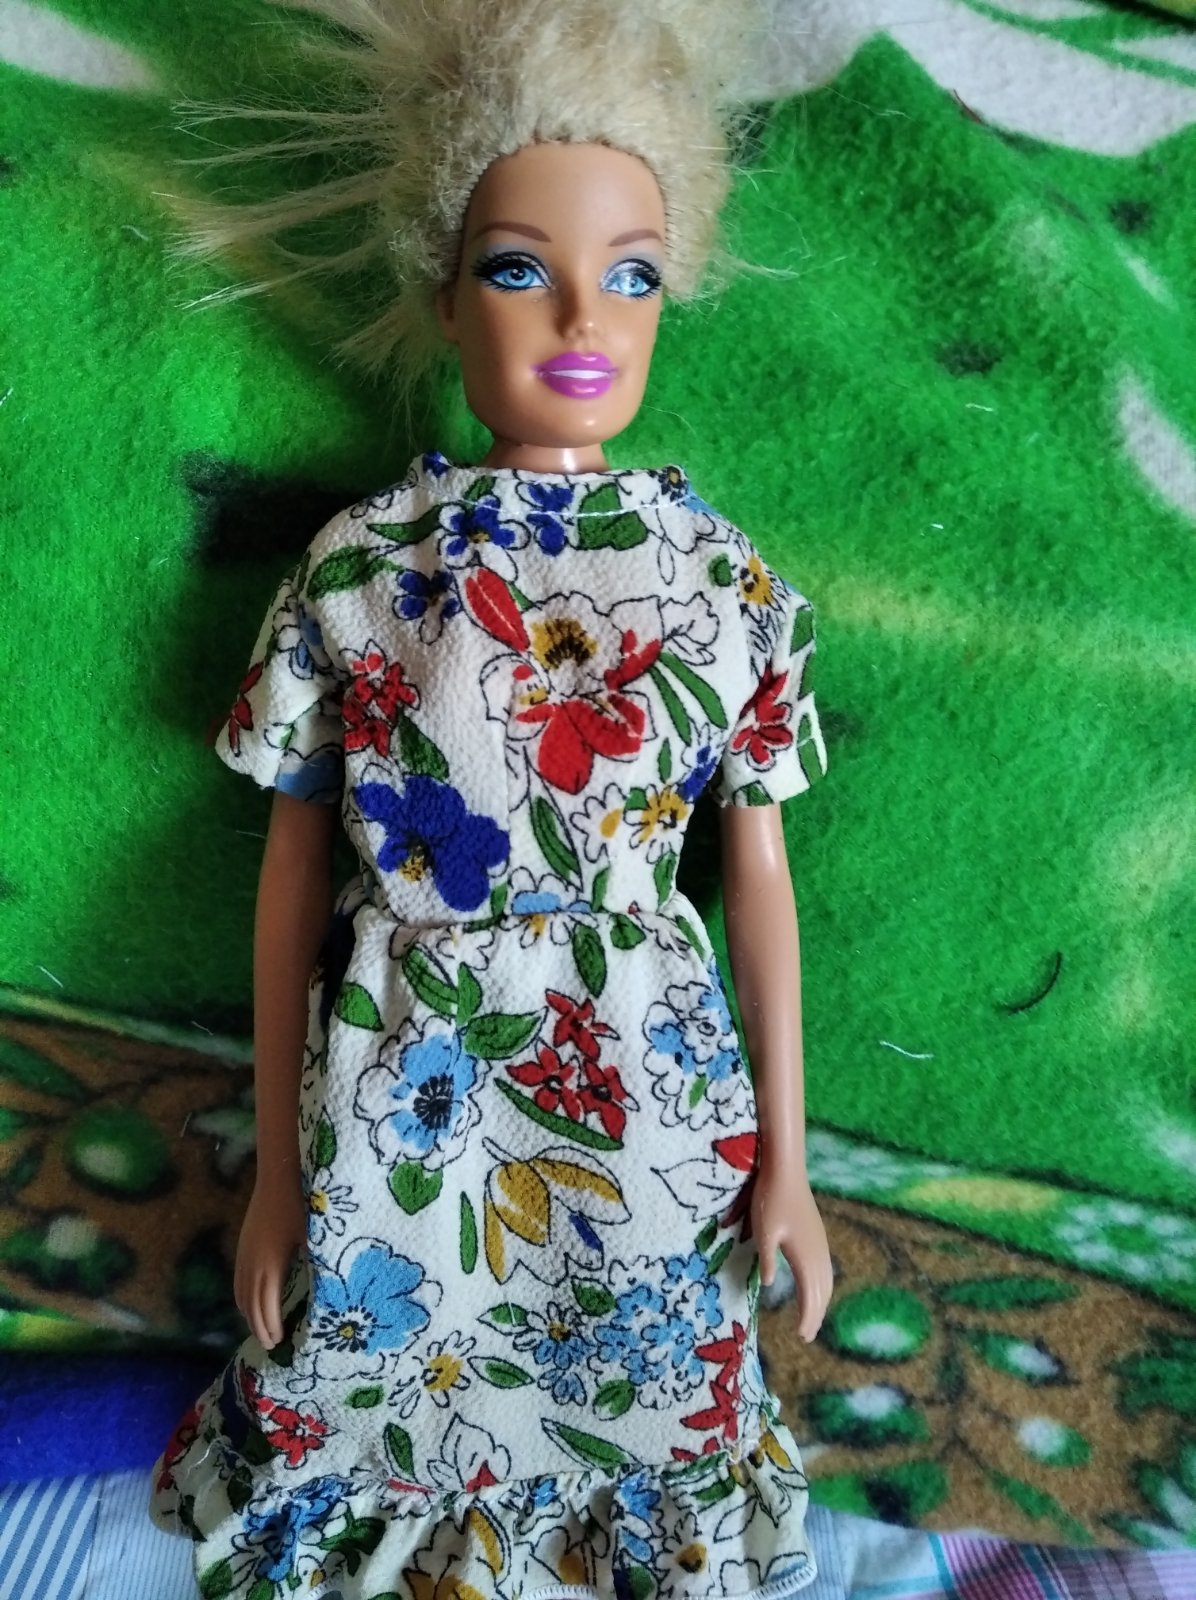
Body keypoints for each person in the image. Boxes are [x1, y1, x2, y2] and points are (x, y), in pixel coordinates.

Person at [151, 4, 832, 1596]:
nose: (584, 316)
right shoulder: (366, 567)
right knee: (371, 1370)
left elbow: (760, 878)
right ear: (443, 290)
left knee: (648, 1375)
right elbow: (291, 871)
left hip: (646, 1083)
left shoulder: (725, 585)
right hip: (405, 1081)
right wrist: (276, 1173)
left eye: (634, 273)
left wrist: (789, 1165)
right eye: (522, 267)